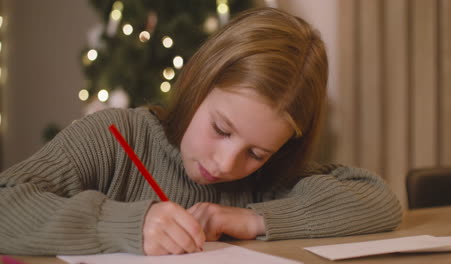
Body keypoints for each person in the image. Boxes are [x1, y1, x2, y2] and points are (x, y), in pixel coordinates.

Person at [0, 7, 402, 256]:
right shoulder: (113, 137)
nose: (227, 164)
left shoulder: (264, 180)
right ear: (198, 81)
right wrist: (123, 223)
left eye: (257, 152)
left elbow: (378, 200)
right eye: (221, 129)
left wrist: (253, 220)